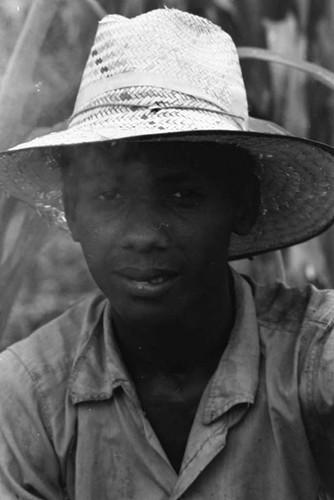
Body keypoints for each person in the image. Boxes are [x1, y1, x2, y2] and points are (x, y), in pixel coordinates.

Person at [1, 8, 334, 500]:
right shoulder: (28, 393)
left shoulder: (313, 360)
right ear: (72, 210)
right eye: (109, 197)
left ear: (240, 205)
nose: (142, 236)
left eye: (182, 196)